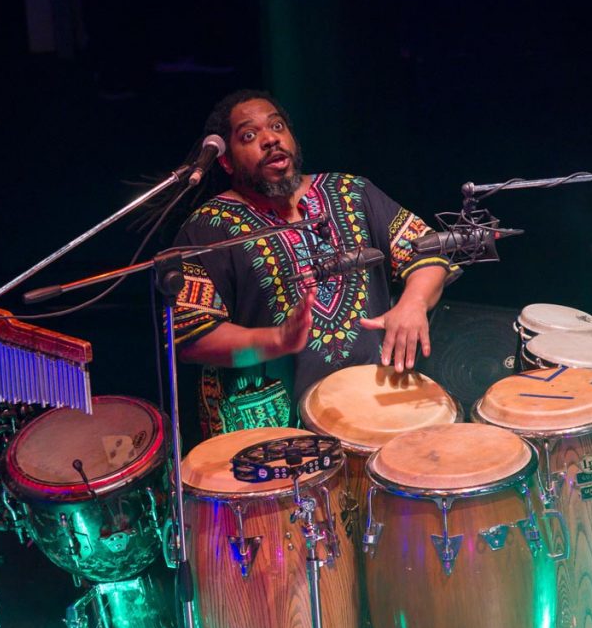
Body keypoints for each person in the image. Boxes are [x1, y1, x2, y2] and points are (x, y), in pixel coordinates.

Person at [171, 90, 459, 437]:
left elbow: (428, 252)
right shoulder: (208, 227)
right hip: (273, 434)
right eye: (249, 135)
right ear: (227, 162)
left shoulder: (353, 191)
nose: (270, 139)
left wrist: (413, 302)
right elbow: (191, 336)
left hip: (378, 409)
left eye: (277, 126)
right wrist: (277, 339)